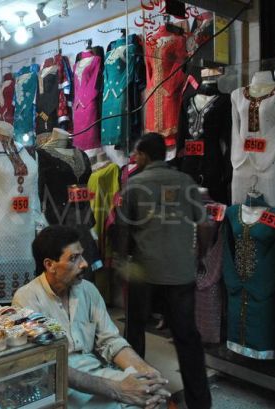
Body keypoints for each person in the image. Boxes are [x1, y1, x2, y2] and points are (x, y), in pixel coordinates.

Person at [13, 225, 170, 409]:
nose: (84, 264)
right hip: (58, 386)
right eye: (73, 258)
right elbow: (47, 366)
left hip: (96, 374)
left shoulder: (88, 290)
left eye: (81, 255)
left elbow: (111, 341)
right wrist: (116, 388)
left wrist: (146, 371)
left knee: (154, 394)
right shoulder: (27, 299)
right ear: (50, 265)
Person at [116, 133, 212, 409]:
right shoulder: (186, 182)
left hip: (145, 272)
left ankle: (138, 397)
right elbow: (205, 225)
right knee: (187, 338)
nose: (135, 159)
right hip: (180, 273)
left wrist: (122, 260)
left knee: (135, 333)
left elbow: (123, 229)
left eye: (137, 154)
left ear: (144, 155)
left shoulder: (134, 184)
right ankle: (200, 402)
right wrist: (199, 256)